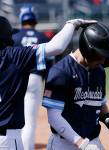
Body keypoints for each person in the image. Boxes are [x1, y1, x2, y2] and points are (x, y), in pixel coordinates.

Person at [0, 15, 96, 150]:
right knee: (30, 120)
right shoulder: (13, 55)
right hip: (6, 140)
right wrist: (72, 24)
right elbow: (57, 46)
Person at [42, 22, 109, 150]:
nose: (103, 61)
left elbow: (99, 102)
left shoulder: (99, 71)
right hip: (64, 144)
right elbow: (54, 117)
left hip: (92, 142)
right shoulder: (61, 72)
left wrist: (107, 117)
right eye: (101, 55)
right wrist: (81, 143)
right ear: (88, 50)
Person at [12, 5, 53, 150]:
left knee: (11, 117)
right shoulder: (42, 37)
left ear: (22, 19)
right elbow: (49, 65)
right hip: (35, 79)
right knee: (29, 121)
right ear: (35, 19)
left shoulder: (14, 36)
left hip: (15, 79)